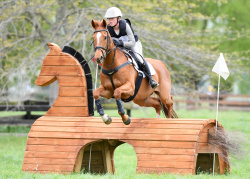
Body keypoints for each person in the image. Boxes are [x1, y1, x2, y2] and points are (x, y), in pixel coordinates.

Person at [104, 7, 159, 89]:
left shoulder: (125, 25)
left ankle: (151, 79)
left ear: (118, 18)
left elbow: (132, 43)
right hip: (119, 46)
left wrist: (121, 43)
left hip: (133, 44)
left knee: (138, 58)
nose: (110, 21)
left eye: (112, 18)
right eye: (108, 19)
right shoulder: (108, 28)